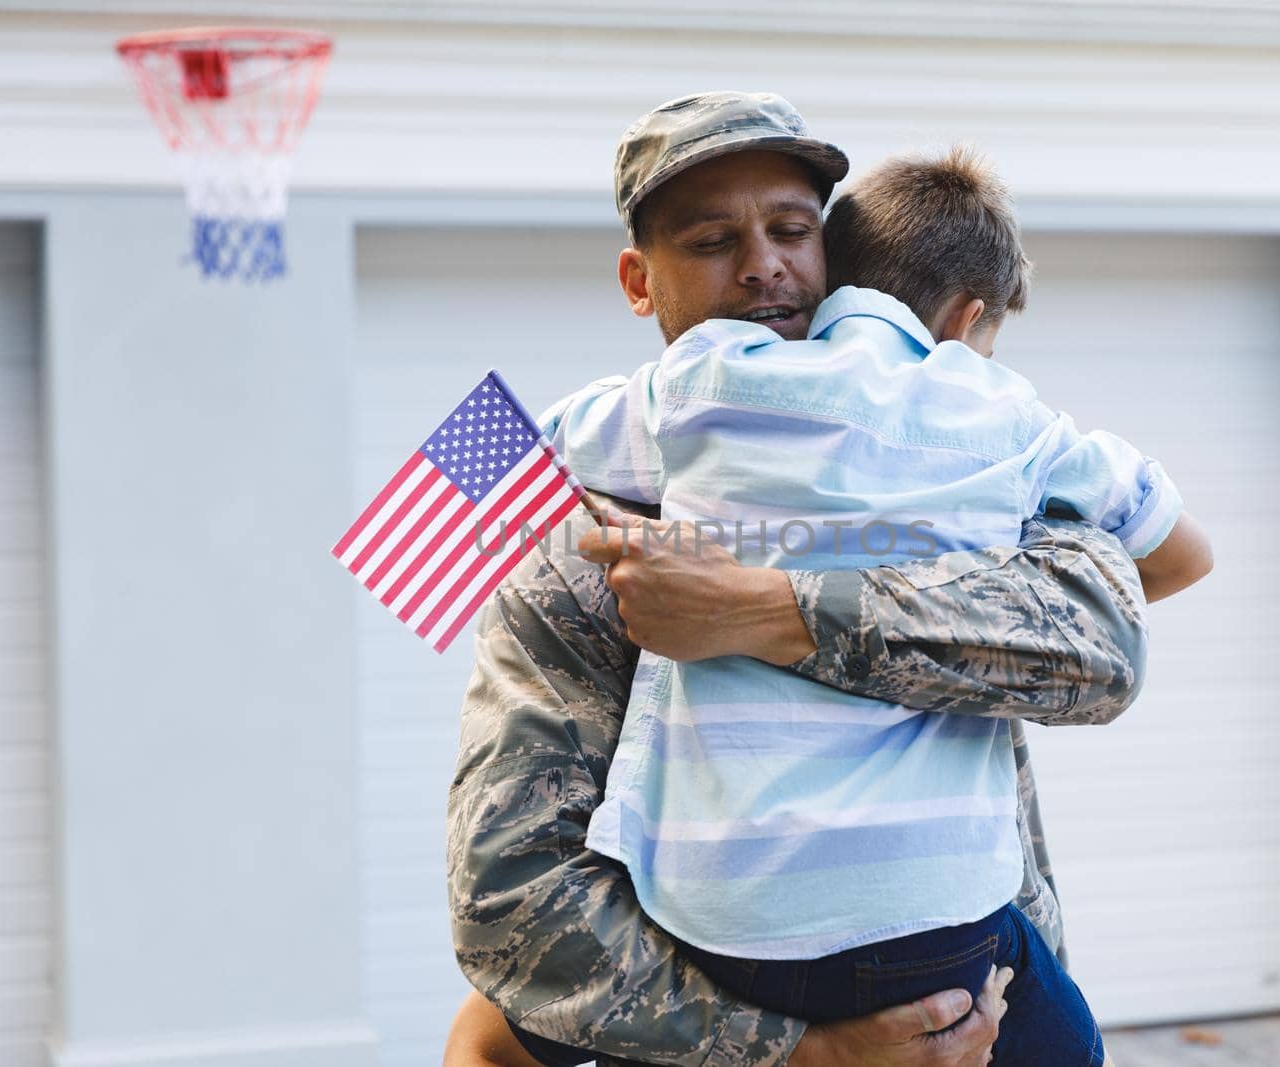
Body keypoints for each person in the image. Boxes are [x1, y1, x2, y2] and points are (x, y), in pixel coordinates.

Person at [444, 92, 1154, 1067]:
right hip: (726, 994)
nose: (762, 264)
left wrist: (767, 611)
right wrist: (801, 1050)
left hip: (967, 987)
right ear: (637, 282)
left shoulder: (949, 465)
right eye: (708, 239)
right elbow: (508, 895)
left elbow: (1101, 649)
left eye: (790, 230)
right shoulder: (585, 537)